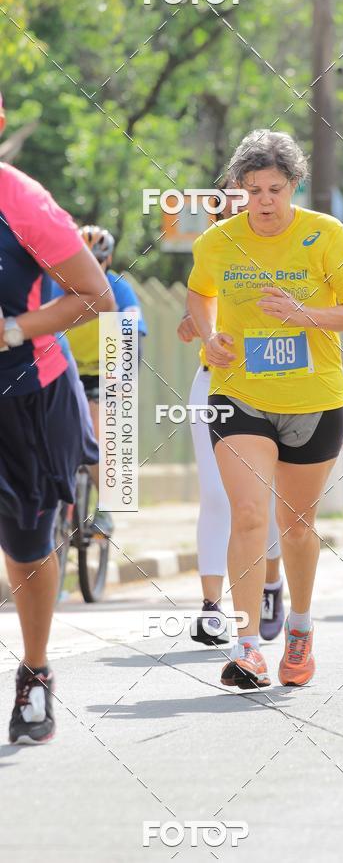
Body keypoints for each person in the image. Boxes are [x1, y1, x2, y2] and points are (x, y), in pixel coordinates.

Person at [187, 129, 343, 689]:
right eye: (253, 188)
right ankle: (247, 647)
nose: (264, 200)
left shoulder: (326, 235)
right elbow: (199, 295)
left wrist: (301, 314)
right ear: (238, 188)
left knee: (296, 525)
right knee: (248, 514)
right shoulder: (217, 242)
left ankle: (300, 629)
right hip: (239, 392)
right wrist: (210, 334)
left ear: (294, 185)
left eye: (275, 188)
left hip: (314, 400)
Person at [0, 91, 115, 743]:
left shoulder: (21, 201)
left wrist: (11, 329)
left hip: (26, 394)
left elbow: (92, 296)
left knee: (25, 543)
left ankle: (36, 670)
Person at [177, 183, 286, 645]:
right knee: (216, 495)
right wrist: (199, 327)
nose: (234, 211)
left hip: (277, 387)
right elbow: (194, 318)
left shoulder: (284, 251)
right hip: (215, 387)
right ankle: (209, 607)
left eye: (243, 202)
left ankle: (270, 584)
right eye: (223, 205)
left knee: (266, 500)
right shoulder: (211, 255)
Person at [50, 225, 147, 535]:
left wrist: (123, 384)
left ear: (108, 261)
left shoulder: (118, 290)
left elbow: (132, 341)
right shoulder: (56, 289)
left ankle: (105, 508)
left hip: (107, 373)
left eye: (97, 261)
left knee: (95, 430)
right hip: (65, 370)